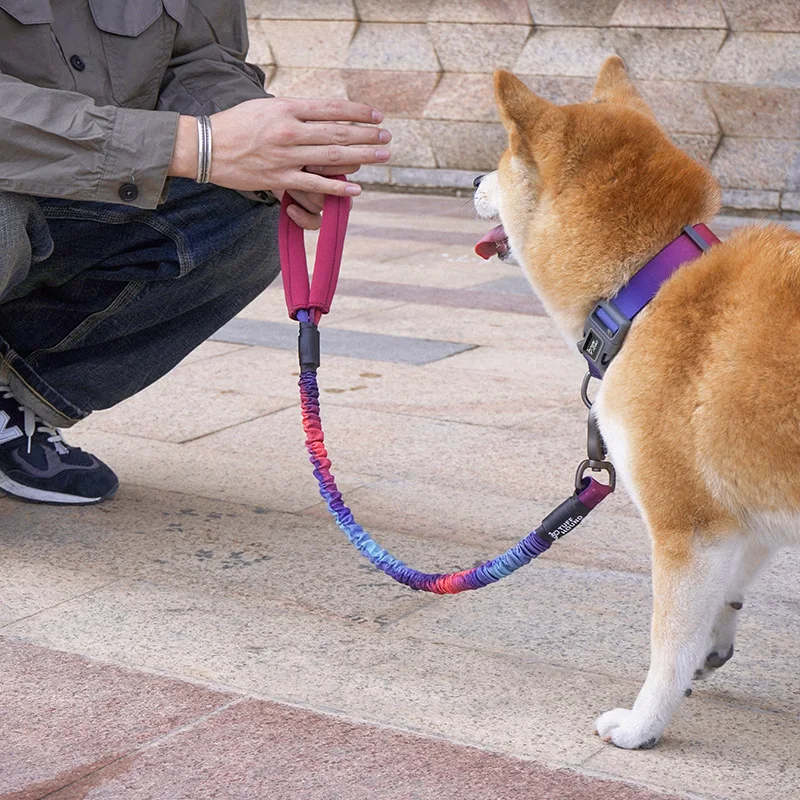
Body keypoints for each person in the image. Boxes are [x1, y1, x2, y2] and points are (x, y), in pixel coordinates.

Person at [0, 0, 390, 504]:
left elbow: (196, 55)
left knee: (242, 206)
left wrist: (268, 148)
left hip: (79, 180)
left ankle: (15, 403)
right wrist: (192, 145)